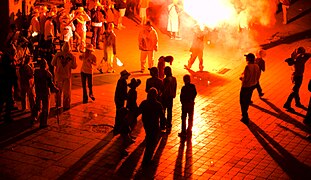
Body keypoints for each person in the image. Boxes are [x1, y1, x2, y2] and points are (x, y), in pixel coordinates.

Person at [138, 87, 166, 166]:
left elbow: (138, 111)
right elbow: (162, 116)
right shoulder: (158, 105)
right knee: (152, 143)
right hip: (154, 125)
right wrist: (162, 126)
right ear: (156, 95)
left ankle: (147, 159)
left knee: (149, 139)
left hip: (146, 124)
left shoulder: (144, 103)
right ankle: (147, 160)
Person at [51, 42, 77, 110]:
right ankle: (66, 105)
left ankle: (57, 104)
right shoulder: (72, 56)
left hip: (58, 75)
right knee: (67, 92)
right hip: (67, 76)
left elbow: (52, 63)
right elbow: (74, 66)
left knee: (58, 91)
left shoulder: (57, 54)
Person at [284, 47, 311, 111]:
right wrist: (302, 54)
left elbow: (292, 54)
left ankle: (297, 102)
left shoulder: (294, 58)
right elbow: (309, 55)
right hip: (299, 77)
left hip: (293, 76)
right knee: (294, 90)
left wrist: (296, 52)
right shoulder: (301, 59)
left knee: (296, 89)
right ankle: (287, 103)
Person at [33, 59, 58, 128]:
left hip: (38, 91)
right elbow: (51, 84)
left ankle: (34, 117)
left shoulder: (36, 72)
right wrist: (56, 89)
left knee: (37, 104)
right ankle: (43, 123)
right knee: (45, 107)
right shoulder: (47, 73)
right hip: (45, 92)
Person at [239, 53, 261, 124]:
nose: (246, 59)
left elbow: (246, 78)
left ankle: (245, 116)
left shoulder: (248, 67)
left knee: (242, 101)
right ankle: (245, 115)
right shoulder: (257, 66)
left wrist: (241, 78)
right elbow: (258, 76)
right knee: (248, 100)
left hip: (246, 86)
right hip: (252, 86)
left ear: (249, 59)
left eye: (247, 58)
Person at [0, 53, 18, 122]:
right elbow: (14, 78)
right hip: (7, 87)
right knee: (8, 102)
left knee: (2, 102)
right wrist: (16, 87)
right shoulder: (11, 68)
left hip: (2, 87)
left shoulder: (1, 67)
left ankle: (7, 116)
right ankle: (7, 116)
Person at [179, 74, 197, 139]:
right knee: (190, 117)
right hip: (191, 104)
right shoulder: (192, 86)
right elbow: (195, 93)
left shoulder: (184, 88)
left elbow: (181, 96)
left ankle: (183, 131)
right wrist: (192, 100)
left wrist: (182, 102)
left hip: (185, 105)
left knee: (183, 118)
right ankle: (189, 130)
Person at [114, 70, 131, 134]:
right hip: (120, 100)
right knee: (119, 113)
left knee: (118, 112)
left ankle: (117, 126)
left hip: (118, 99)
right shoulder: (123, 82)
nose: (128, 77)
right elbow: (123, 93)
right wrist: (127, 97)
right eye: (127, 75)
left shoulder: (120, 81)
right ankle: (117, 127)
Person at [162, 66, 177, 131]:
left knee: (163, 110)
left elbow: (164, 89)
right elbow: (175, 87)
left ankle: (163, 124)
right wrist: (174, 94)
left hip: (165, 97)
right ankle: (169, 123)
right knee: (169, 111)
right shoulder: (174, 79)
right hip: (171, 97)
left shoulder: (165, 80)